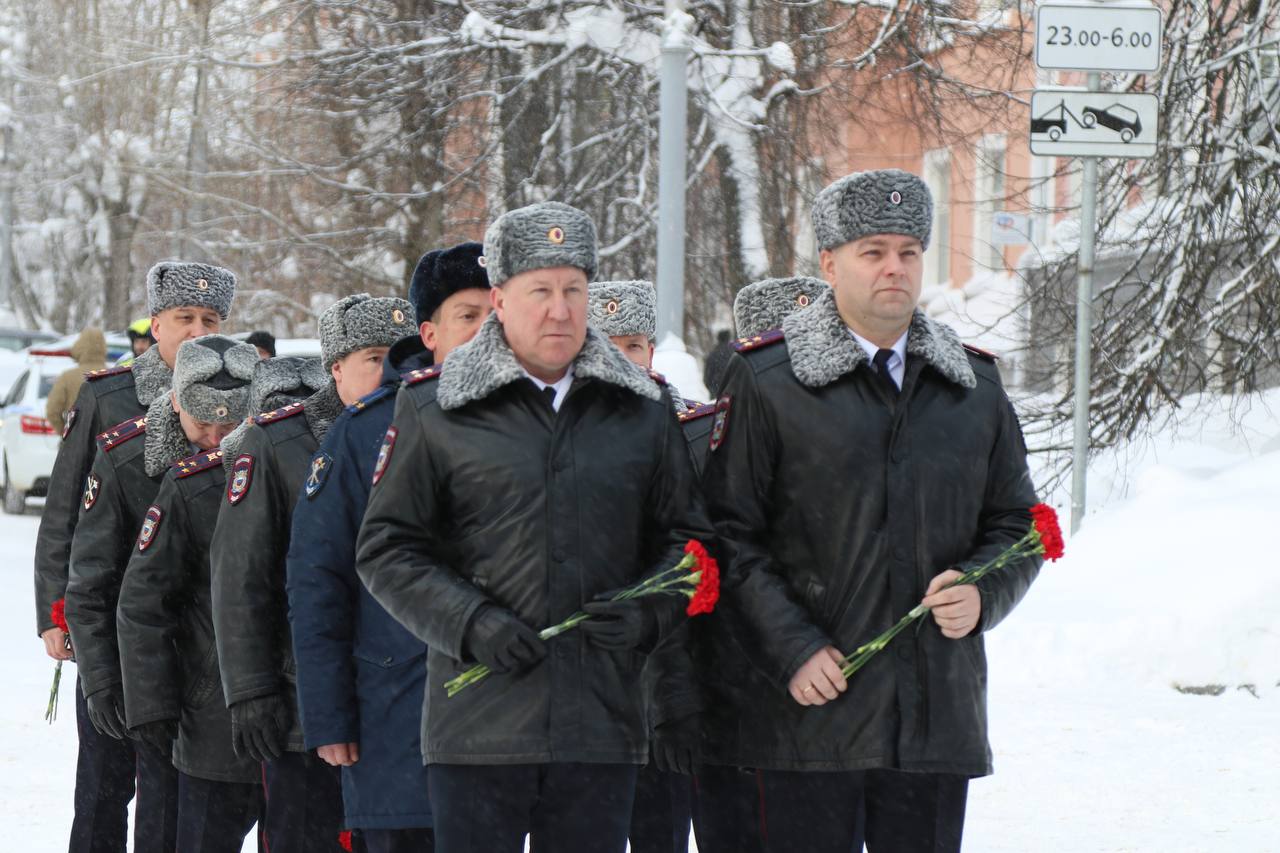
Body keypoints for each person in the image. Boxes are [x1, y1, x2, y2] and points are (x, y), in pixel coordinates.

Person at [698, 169, 1042, 853]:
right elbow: (726, 535)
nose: (895, 268)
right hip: (809, 716)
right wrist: (793, 648)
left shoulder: (971, 385)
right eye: (873, 251)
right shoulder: (768, 380)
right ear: (830, 264)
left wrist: (984, 590)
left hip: (932, 719)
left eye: (909, 251)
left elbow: (1018, 524)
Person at [356, 201, 715, 853]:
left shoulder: (642, 408)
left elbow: (689, 546)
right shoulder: (437, 408)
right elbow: (387, 550)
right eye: (540, 291)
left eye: (573, 289)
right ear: (500, 299)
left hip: (601, 727)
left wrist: (647, 614)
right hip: (478, 730)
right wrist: (470, 623)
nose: (560, 310)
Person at [287, 241, 491, 853]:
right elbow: (318, 577)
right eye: (468, 315)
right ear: (429, 332)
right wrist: (328, 714)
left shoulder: (542, 417)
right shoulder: (367, 429)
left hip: (513, 719)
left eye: (496, 313)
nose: (486, 329)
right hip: (397, 708)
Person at [34, 260, 236, 853]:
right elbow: (65, 508)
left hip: (196, 633)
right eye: (184, 317)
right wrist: (54, 611)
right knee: (104, 784)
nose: (197, 331)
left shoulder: (240, 395)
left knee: (176, 794)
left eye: (210, 320)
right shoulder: (109, 395)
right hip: (114, 623)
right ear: (156, 322)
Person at [210, 293, 417, 853]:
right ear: (336, 369)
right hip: (302, 701)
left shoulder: (431, 431)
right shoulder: (277, 442)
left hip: (401, 702)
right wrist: (251, 690)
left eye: (400, 357)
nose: (389, 372)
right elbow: (241, 577)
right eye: (374, 358)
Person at [77, 336, 258, 852]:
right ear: (175, 401)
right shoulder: (125, 457)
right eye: (203, 425)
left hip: (218, 680)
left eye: (230, 426)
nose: (216, 440)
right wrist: (102, 679)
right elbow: (92, 580)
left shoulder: (261, 455)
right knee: (143, 817)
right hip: (144, 672)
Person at [586, 278, 707, 853]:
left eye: (633, 345)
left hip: (675, 696)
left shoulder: (698, 433)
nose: (623, 360)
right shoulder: (548, 440)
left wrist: (676, 699)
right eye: (607, 346)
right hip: (586, 700)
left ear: (652, 352)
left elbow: (699, 572)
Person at [46, 328, 108, 437]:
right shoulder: (114, 375)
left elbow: (52, 411)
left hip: (76, 440)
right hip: (108, 442)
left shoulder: (67, 377)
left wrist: (66, 434)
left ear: (80, 347)